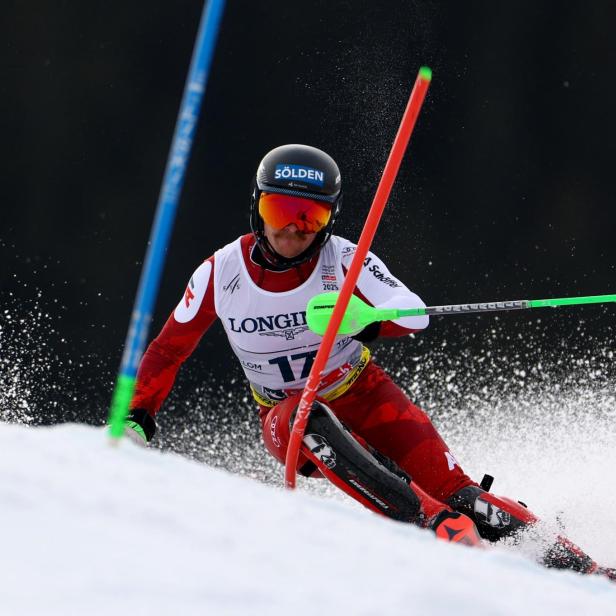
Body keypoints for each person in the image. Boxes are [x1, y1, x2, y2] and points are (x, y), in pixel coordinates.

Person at [126, 144, 613, 577]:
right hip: (282, 411)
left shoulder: (344, 260)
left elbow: (416, 315)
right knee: (304, 419)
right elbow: (170, 348)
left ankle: (583, 569)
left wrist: (363, 320)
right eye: (280, 210)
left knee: (462, 493)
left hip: (364, 391)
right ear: (257, 208)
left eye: (309, 218)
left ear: (329, 221)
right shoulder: (222, 272)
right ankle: (436, 523)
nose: (292, 232)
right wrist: (138, 415)